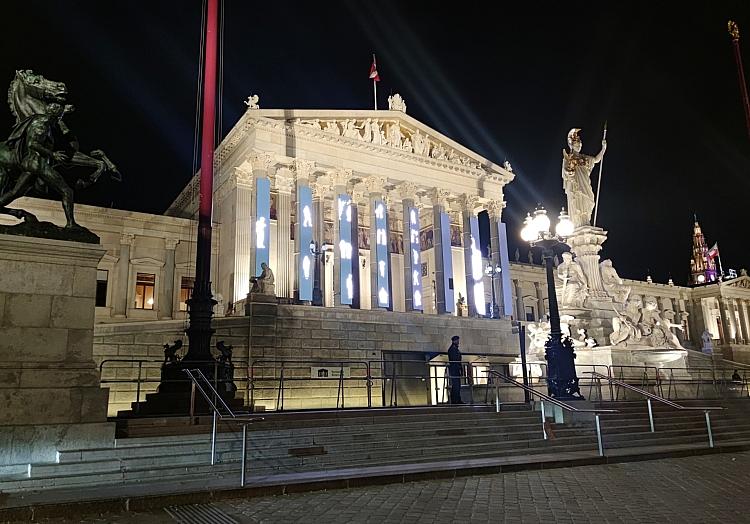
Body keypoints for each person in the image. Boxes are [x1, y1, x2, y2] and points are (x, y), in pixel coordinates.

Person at [447, 335, 464, 404]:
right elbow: (455, 360)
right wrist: (459, 369)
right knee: (456, 386)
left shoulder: (455, 349)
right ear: (454, 341)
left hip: (456, 369)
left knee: (457, 386)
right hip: (454, 370)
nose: (458, 341)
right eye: (457, 340)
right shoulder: (452, 349)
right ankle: (455, 400)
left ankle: (457, 400)